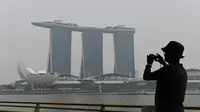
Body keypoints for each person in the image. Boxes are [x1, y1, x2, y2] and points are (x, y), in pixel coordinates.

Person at [143, 41, 188, 112]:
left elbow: (146, 77)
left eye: (166, 53)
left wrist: (149, 63)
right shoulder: (182, 71)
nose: (164, 54)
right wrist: (163, 62)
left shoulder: (166, 70)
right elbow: (171, 72)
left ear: (171, 54)